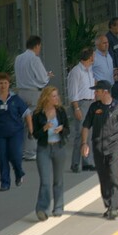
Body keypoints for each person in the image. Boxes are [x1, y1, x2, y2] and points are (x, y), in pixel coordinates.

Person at [81, 80, 118, 220]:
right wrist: (84, 143)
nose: (95, 93)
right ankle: (108, 204)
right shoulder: (94, 107)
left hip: (114, 147)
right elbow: (86, 126)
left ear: (105, 92)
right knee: (103, 177)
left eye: (97, 91)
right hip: (98, 146)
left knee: (114, 175)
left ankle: (114, 206)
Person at [0, 72, 33, 191]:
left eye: (5, 83)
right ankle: (5, 182)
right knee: (1, 157)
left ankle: (19, 173)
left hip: (15, 133)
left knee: (16, 155)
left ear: (9, 84)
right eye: (1, 83)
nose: (3, 85)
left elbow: (27, 113)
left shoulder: (15, 99)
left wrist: (31, 128)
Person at [32, 86, 70, 221]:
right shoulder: (37, 114)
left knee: (58, 180)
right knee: (45, 181)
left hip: (59, 147)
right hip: (44, 149)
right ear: (46, 97)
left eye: (57, 95)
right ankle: (42, 209)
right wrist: (44, 128)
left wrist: (61, 129)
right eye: (53, 96)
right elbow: (35, 134)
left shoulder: (60, 111)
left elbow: (68, 129)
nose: (56, 98)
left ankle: (58, 206)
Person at [14, 35, 53, 161]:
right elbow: (42, 79)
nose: (39, 49)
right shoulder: (35, 59)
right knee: (33, 121)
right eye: (39, 46)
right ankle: (30, 151)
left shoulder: (18, 58)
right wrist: (47, 76)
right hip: (33, 92)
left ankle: (20, 150)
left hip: (21, 92)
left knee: (23, 122)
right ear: (36, 46)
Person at [67, 47, 96, 173]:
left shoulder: (90, 70)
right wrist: (76, 108)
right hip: (82, 104)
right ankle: (75, 163)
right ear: (89, 57)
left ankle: (87, 162)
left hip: (90, 103)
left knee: (88, 133)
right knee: (80, 133)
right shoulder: (76, 71)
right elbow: (73, 92)